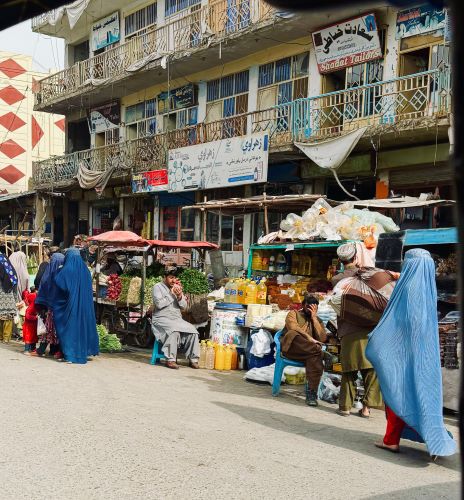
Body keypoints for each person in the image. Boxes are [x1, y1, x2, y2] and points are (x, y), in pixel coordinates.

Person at [366, 249, 457, 457]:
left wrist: (378, 340)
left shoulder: (409, 286)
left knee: (398, 391)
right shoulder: (427, 286)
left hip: (401, 352)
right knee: (416, 393)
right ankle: (401, 437)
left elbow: (404, 322)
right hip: (422, 353)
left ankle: (391, 440)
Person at [332, 243, 390, 418]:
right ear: (356, 257)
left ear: (341, 261)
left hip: (348, 330)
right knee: (371, 369)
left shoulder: (337, 280)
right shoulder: (369, 274)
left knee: (349, 370)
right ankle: (366, 408)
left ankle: (345, 407)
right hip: (370, 329)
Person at [52, 248, 99, 364]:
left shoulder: (66, 270)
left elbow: (60, 284)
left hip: (71, 308)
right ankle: (83, 351)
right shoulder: (86, 271)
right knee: (83, 328)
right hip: (85, 307)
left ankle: (72, 355)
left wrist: (58, 272)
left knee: (71, 329)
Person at [281, 295, 327, 407]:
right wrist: (309, 338)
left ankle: (311, 394)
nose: (309, 309)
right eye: (308, 306)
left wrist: (314, 318)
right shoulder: (293, 314)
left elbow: (322, 338)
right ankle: (323, 354)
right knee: (294, 334)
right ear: (303, 305)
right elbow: (293, 327)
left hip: (308, 353)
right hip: (291, 349)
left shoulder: (317, 320)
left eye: (313, 307)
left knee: (315, 359)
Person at [151, 266, 200, 369]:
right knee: (174, 331)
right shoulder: (157, 287)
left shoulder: (177, 287)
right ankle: (170, 360)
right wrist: (171, 294)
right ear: (164, 277)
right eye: (171, 277)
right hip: (161, 319)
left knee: (193, 331)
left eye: (175, 278)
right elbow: (159, 304)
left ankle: (193, 359)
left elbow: (184, 306)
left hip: (177, 319)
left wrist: (179, 296)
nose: (173, 280)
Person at [35, 252, 65, 359]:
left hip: (51, 307)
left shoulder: (49, 274)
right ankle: (55, 350)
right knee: (57, 329)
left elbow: (43, 287)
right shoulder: (65, 274)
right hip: (62, 308)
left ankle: (42, 350)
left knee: (50, 327)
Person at [0, 253, 20, 343]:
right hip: (8, 294)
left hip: (4, 293)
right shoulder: (9, 270)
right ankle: (6, 337)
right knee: (8, 316)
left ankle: (1, 337)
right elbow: (14, 281)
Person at [22, 288, 38, 355]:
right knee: (28, 338)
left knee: (33, 337)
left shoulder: (32, 306)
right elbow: (28, 316)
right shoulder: (31, 308)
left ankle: (32, 349)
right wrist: (35, 317)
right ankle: (26, 350)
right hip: (29, 327)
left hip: (33, 326)